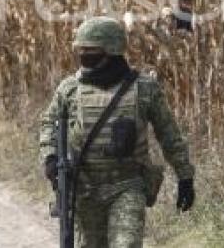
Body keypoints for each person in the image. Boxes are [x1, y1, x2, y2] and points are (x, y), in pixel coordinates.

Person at [40, 17, 195, 248]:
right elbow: (49, 125)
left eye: (91, 50)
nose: (84, 55)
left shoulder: (143, 88)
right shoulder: (69, 89)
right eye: (81, 50)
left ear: (111, 50)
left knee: (127, 244)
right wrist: (51, 158)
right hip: (84, 189)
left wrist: (185, 176)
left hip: (127, 186)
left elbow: (168, 133)